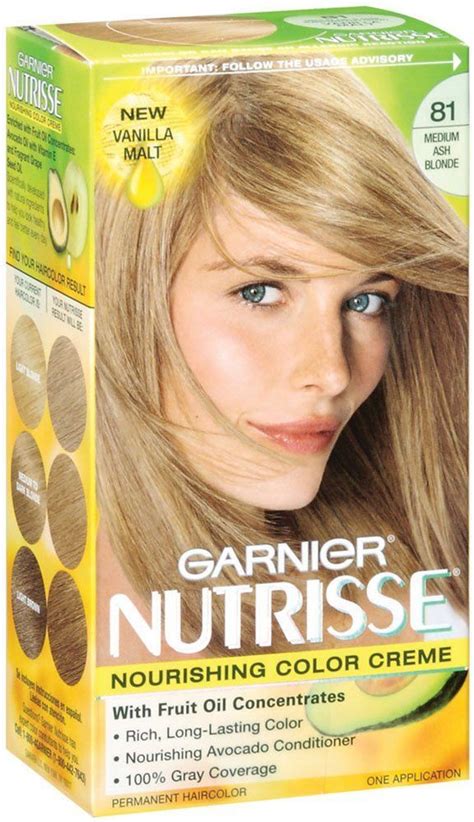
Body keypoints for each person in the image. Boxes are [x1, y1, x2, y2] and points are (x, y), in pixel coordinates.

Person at [95, 59, 467, 662]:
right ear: (132, 299)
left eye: (366, 301)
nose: (332, 372)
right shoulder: (72, 615)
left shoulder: (421, 581)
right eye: (260, 292)